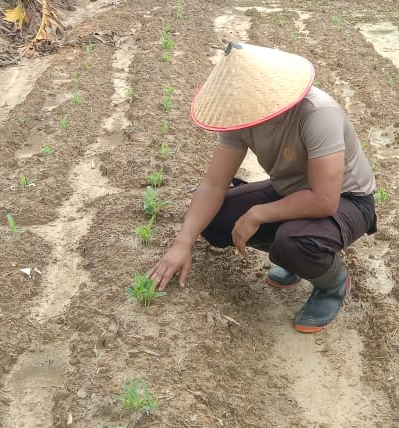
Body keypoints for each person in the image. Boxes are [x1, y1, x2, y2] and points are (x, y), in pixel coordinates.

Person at [149, 41, 378, 333]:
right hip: (290, 191)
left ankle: (332, 285)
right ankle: (293, 259)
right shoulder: (240, 117)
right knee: (217, 221)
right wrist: (182, 244)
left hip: (348, 199)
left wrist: (258, 213)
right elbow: (213, 184)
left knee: (295, 242)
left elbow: (324, 200)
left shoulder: (318, 113)